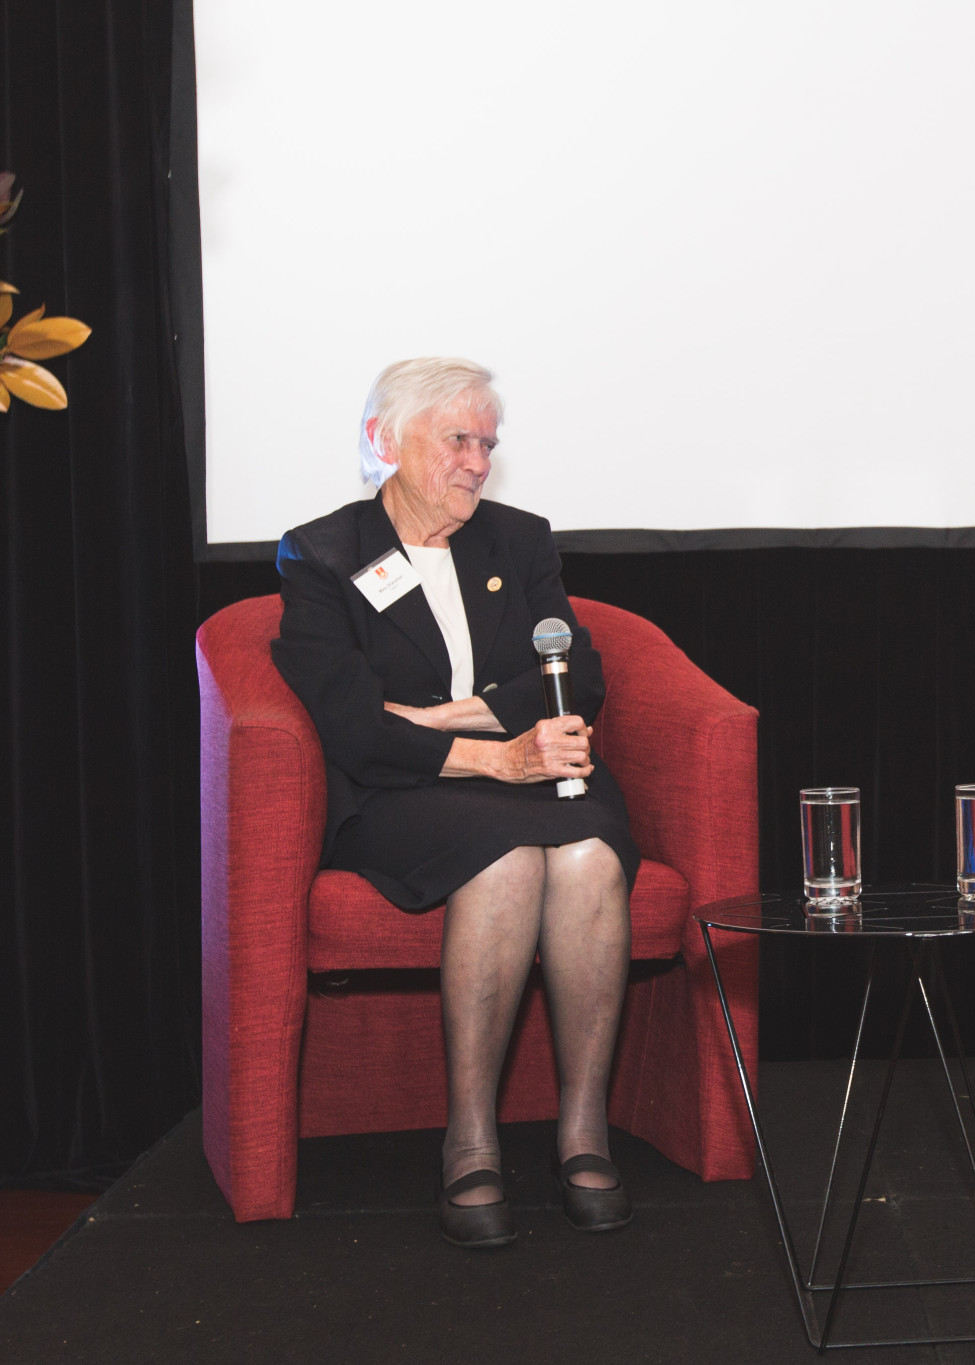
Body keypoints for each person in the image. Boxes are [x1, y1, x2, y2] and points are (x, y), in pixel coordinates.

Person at [271, 357, 638, 1250]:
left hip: (537, 769)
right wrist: (490, 754)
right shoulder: (323, 554)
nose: (479, 461)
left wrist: (443, 719)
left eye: (488, 443)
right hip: (404, 791)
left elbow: (576, 677)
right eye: (459, 440)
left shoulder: (519, 540)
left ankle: (583, 1128)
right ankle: (470, 1136)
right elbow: (353, 727)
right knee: (504, 860)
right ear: (385, 440)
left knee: (589, 857)